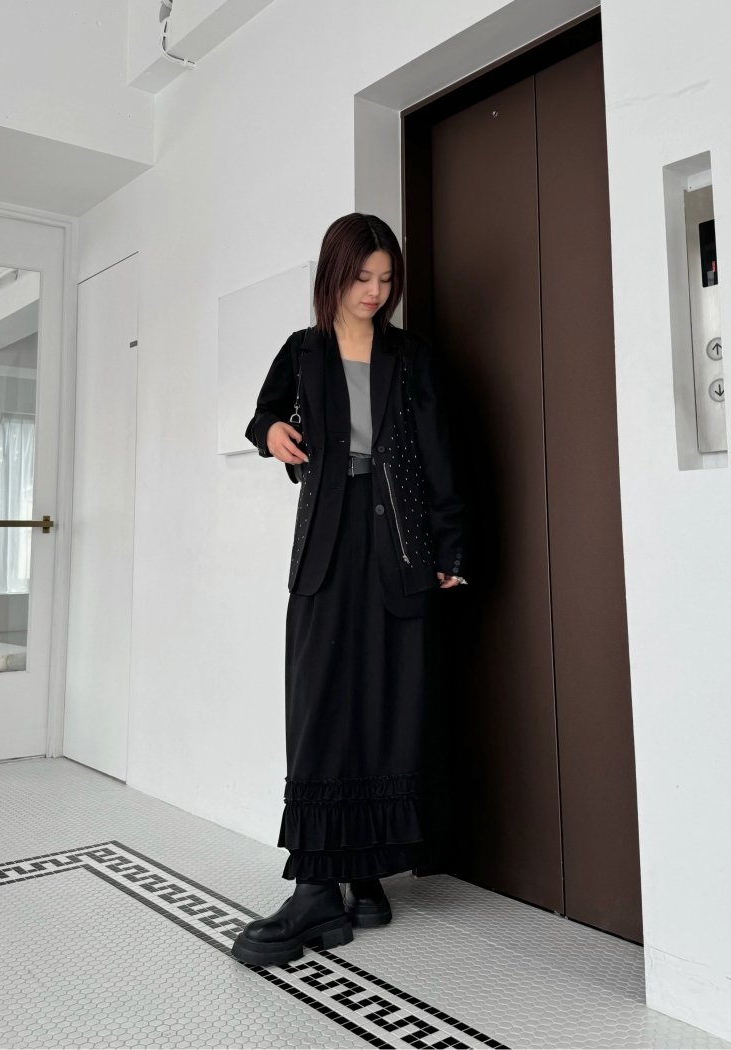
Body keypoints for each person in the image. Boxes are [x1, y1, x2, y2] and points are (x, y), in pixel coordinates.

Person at [233, 213, 467, 967]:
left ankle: (365, 874)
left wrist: (452, 545)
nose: (374, 291)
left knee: (387, 700)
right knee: (322, 700)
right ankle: (317, 889)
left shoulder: (410, 355)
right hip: (327, 547)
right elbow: (264, 417)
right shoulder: (301, 351)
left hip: (399, 544)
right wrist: (270, 434)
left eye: (386, 278)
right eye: (362, 276)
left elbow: (439, 453)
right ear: (334, 274)